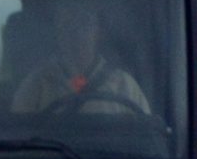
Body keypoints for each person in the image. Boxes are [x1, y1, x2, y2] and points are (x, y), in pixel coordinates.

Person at [9, 7, 150, 117]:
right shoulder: (37, 84)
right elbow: (19, 138)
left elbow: (146, 139)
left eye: (84, 23)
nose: (76, 32)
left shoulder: (124, 85)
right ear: (58, 33)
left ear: (98, 32)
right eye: (67, 24)